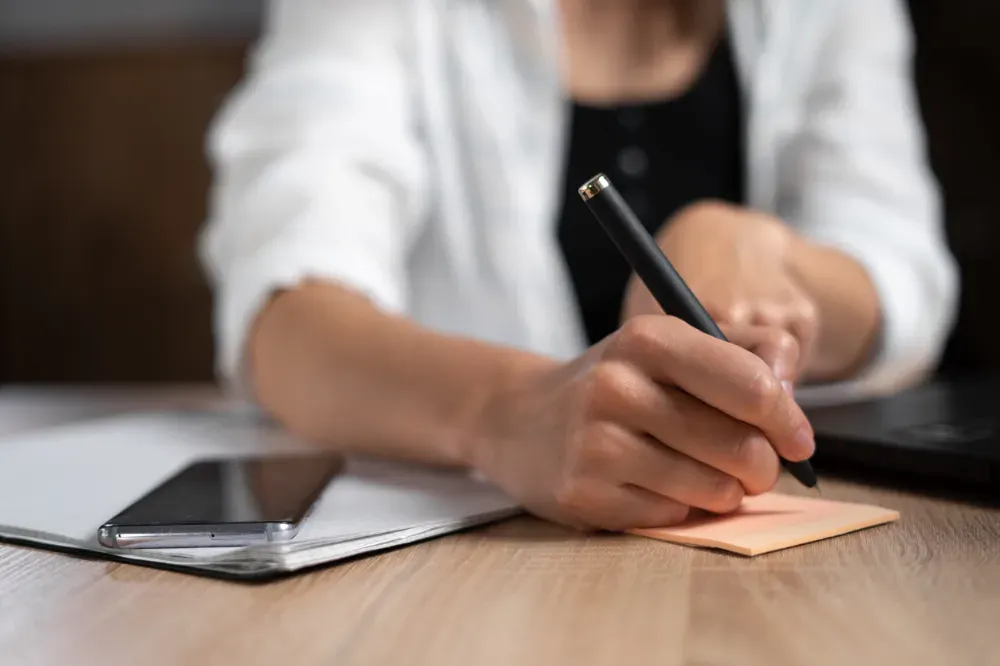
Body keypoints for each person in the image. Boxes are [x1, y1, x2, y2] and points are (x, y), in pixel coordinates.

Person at [199, 0, 958, 531]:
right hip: (478, 570)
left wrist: (771, 259)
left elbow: (902, 270)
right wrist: (503, 411)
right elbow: (284, 317)